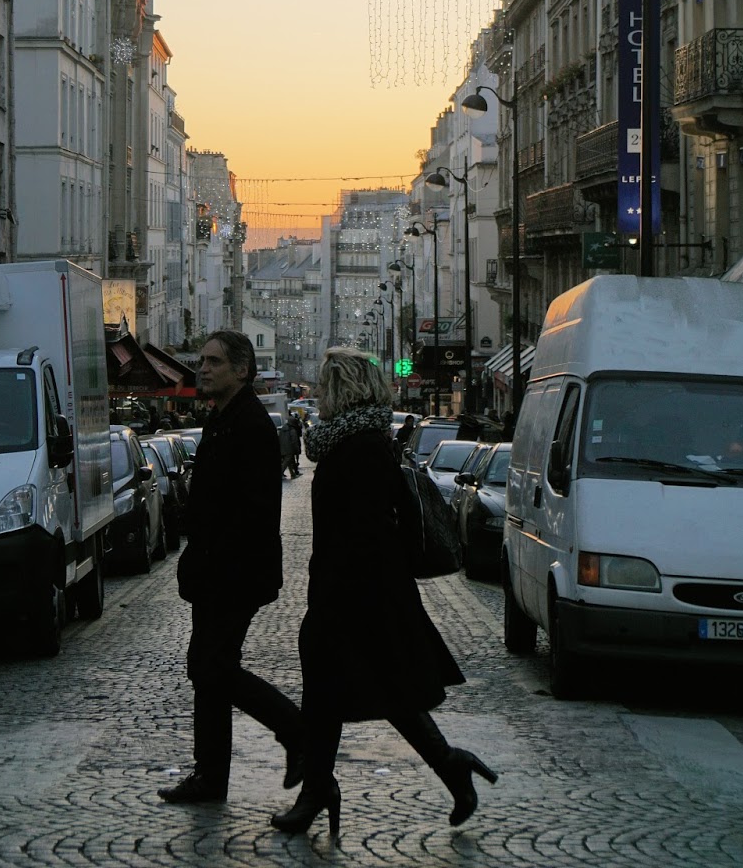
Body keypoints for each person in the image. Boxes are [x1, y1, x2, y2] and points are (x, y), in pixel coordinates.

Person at [271, 348, 497, 839]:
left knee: (349, 693)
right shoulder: (354, 442)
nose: (319, 395)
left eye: (325, 386)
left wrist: (335, 593)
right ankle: (440, 767)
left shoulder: (362, 447)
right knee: (360, 693)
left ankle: (323, 791)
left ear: (342, 388)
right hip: (356, 588)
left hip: (360, 592)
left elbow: (365, 530)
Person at [158, 330, 303, 805]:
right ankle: (211, 775)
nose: (202, 368)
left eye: (213, 361)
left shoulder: (249, 425)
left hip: (233, 572)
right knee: (209, 670)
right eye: (201, 360)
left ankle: (293, 728)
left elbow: (250, 512)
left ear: (242, 370)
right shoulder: (223, 419)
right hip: (215, 570)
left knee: (211, 666)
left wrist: (213, 557)